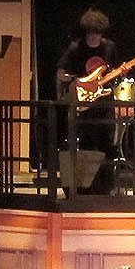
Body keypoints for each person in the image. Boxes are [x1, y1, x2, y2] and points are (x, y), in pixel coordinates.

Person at [55, 9, 119, 179]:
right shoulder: (76, 48)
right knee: (86, 144)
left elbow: (114, 70)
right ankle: (86, 183)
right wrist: (79, 82)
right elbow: (61, 73)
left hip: (105, 102)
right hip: (84, 105)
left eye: (96, 34)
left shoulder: (109, 47)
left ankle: (106, 182)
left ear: (101, 33)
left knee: (107, 143)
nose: (93, 38)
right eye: (90, 34)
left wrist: (118, 73)